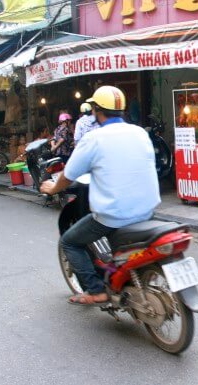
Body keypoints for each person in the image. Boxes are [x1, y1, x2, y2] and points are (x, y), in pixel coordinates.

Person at [40, 86, 160, 305]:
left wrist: (53, 188)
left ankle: (96, 290)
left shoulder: (94, 138)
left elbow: (68, 175)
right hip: (147, 211)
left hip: (113, 216)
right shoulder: (140, 133)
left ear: (96, 110)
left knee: (70, 242)